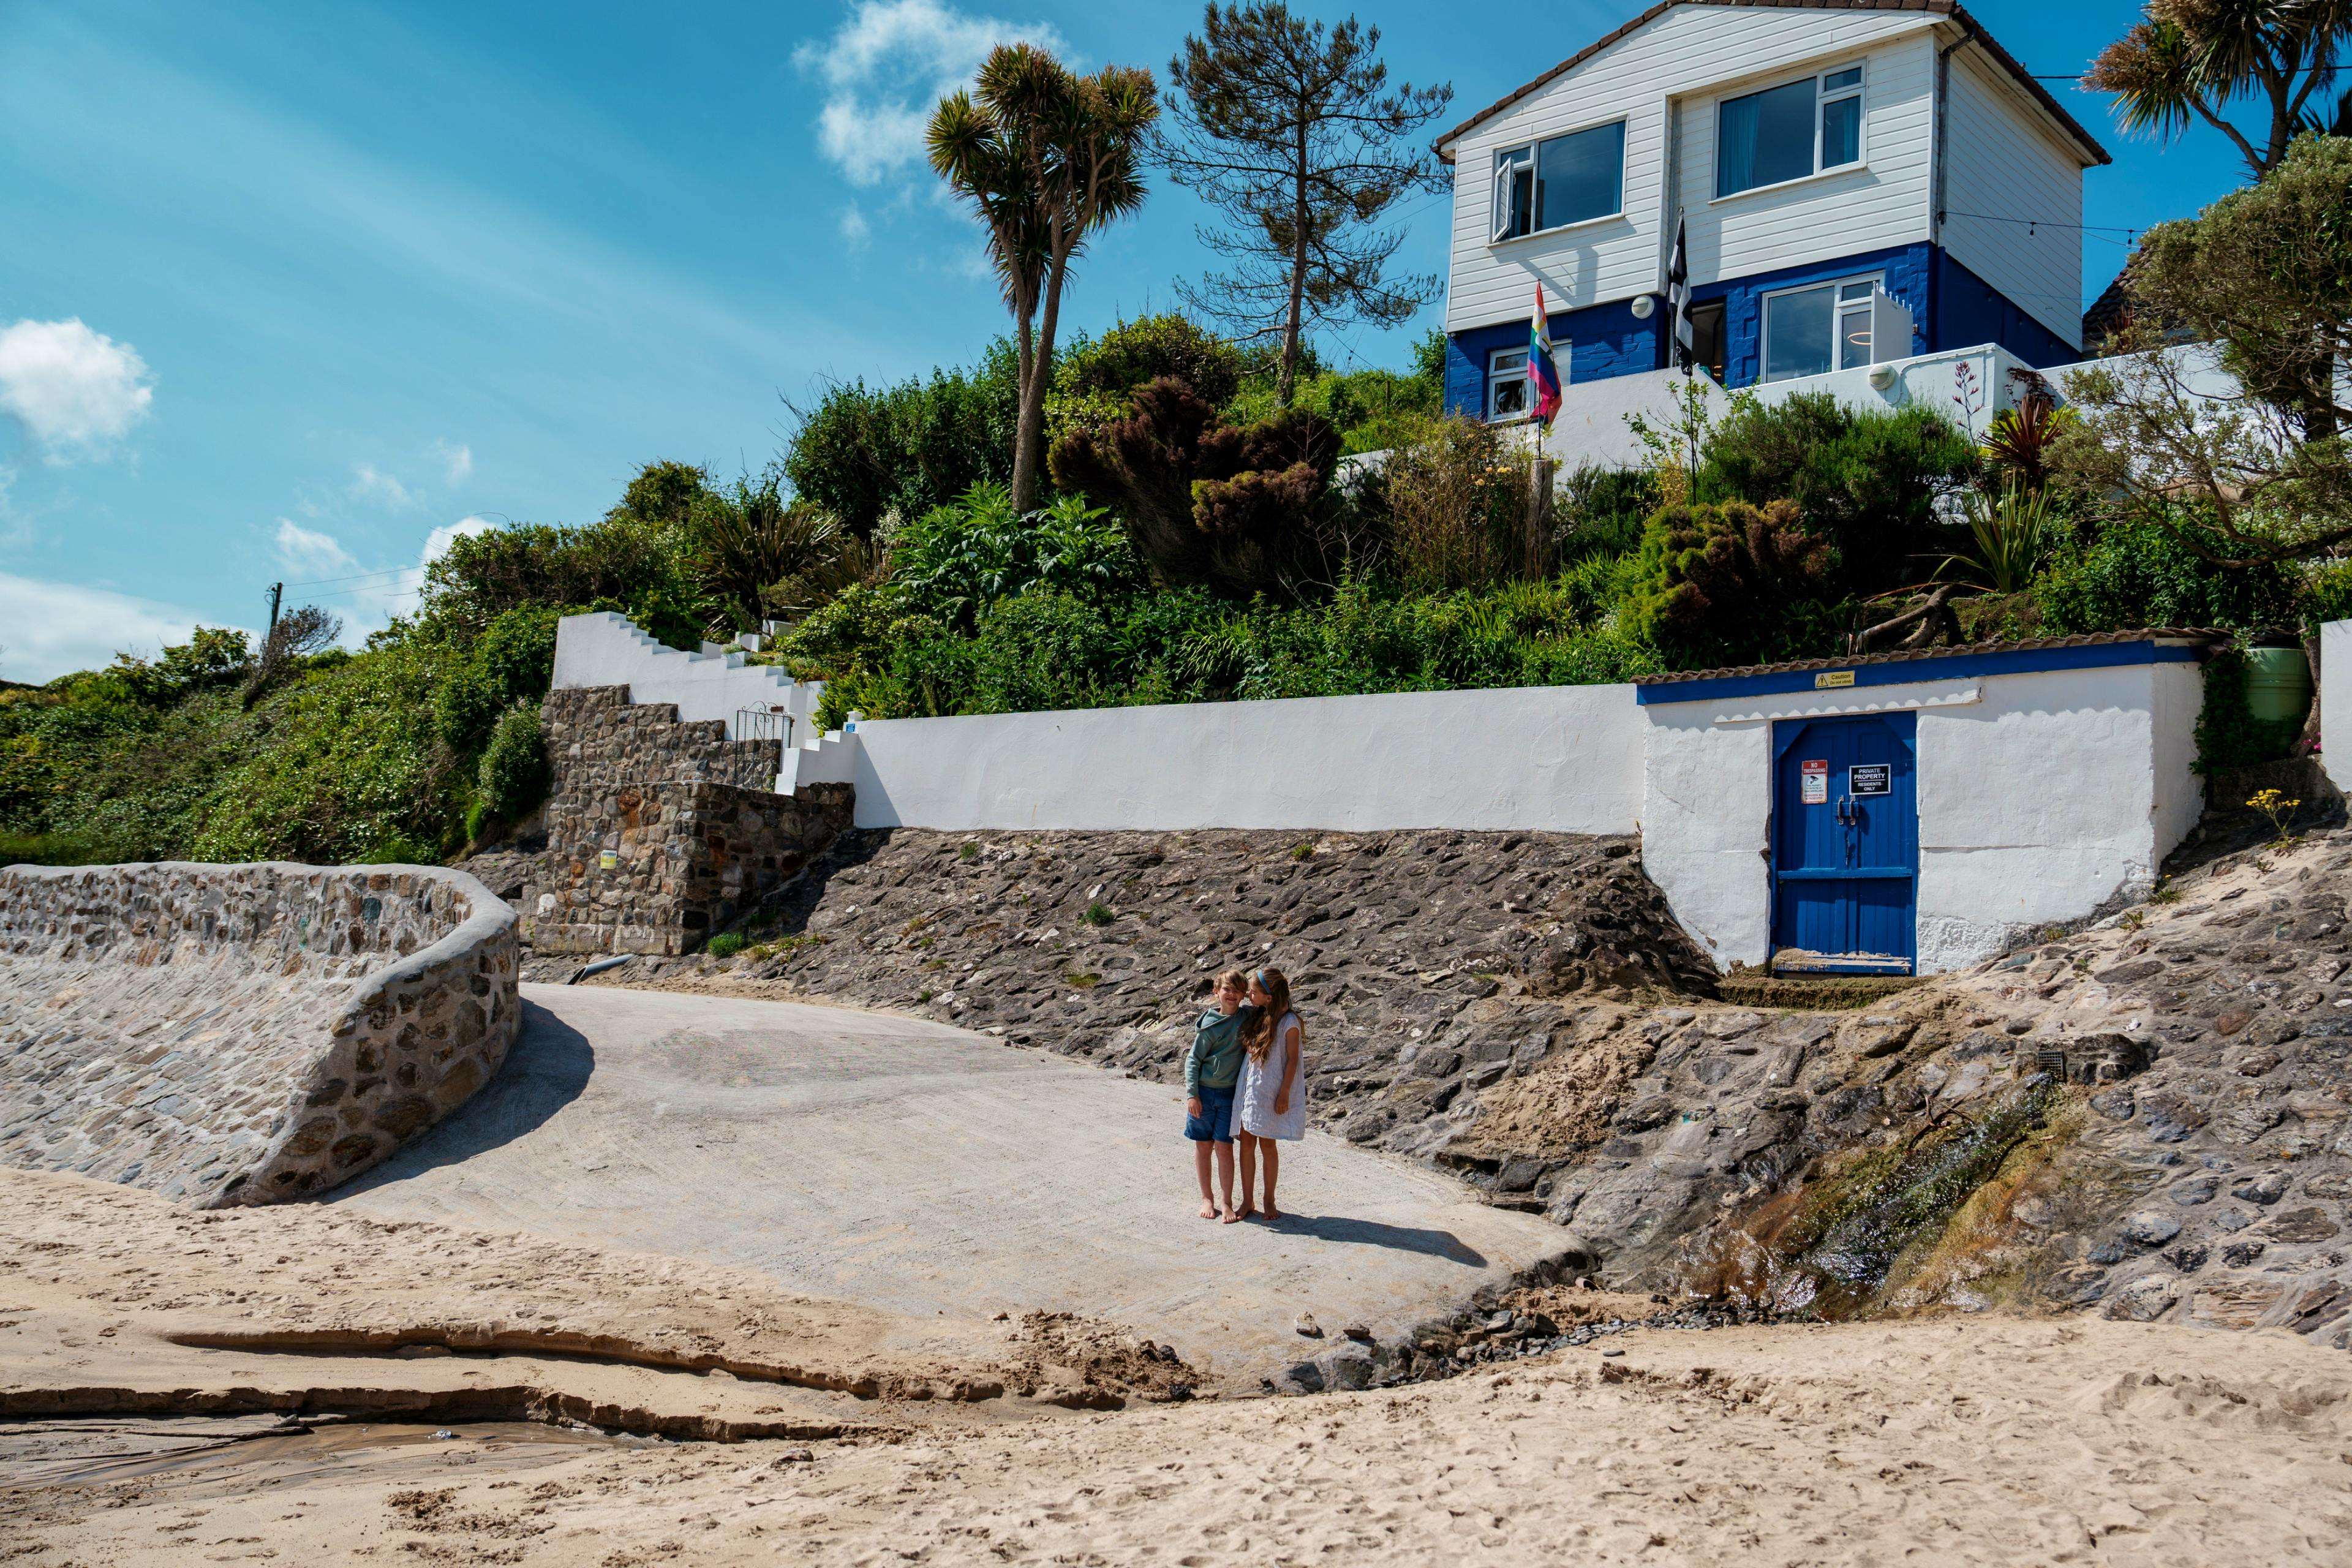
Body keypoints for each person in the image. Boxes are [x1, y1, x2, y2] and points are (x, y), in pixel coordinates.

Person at [1231, 967, 1305, 1221]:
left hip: (1272, 1092)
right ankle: (1248, 1199)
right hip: (1251, 1091)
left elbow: (1293, 1060)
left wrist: (1285, 1092)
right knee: (1247, 1144)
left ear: (1269, 997)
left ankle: (1269, 1199)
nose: (1249, 996)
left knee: (1268, 1145)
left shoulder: (1289, 1023)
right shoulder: (1259, 1016)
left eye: (1253, 992)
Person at [1183, 970, 1250, 1221]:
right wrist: (1192, 1095)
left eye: (1237, 990)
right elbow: (1193, 1061)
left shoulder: (1248, 1017)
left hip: (1230, 1096)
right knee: (1203, 1146)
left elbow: (1273, 1007)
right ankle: (1207, 1198)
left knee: (1224, 1148)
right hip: (1203, 1094)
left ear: (1244, 994)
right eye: (1226, 990)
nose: (1231, 995)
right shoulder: (1209, 1026)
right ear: (1216, 992)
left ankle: (1226, 1200)